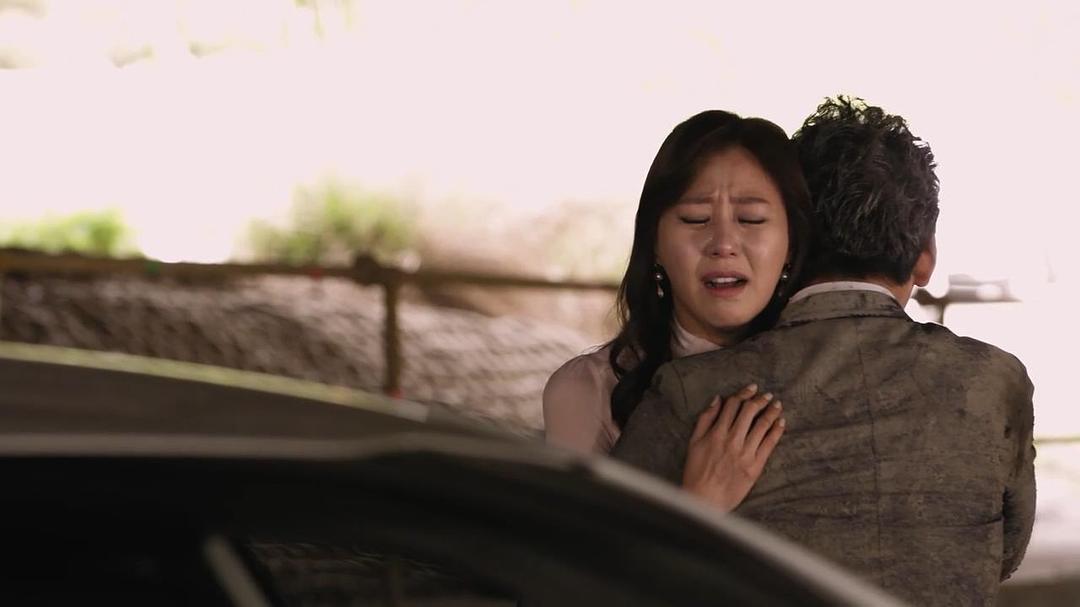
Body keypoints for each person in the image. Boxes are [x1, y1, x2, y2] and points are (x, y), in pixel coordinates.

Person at [610, 96, 1036, 606]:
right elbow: (1005, 552)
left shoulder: (694, 392)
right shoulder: (992, 381)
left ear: (790, 240)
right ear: (925, 258)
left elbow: (594, 573)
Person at [543, 109, 813, 511]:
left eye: (751, 219)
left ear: (791, 244)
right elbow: (574, 550)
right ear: (654, 243)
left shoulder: (829, 373)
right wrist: (700, 505)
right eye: (695, 218)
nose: (724, 243)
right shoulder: (588, 391)